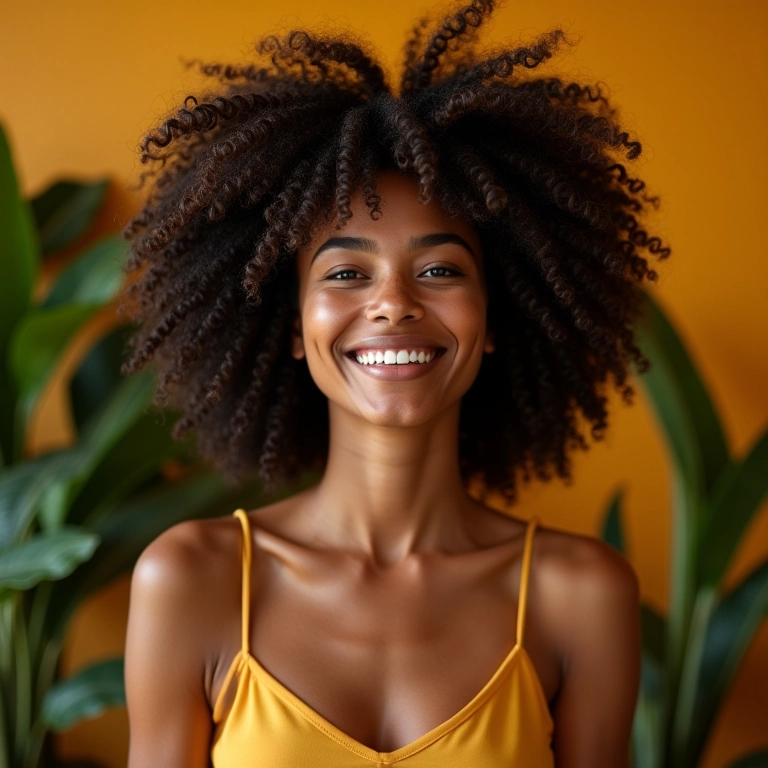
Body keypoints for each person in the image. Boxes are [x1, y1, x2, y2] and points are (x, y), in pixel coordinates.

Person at [121, 1, 668, 765]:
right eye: (347, 272)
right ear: (289, 325)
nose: (393, 303)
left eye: (441, 270)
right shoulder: (193, 581)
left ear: (496, 316)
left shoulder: (579, 594)